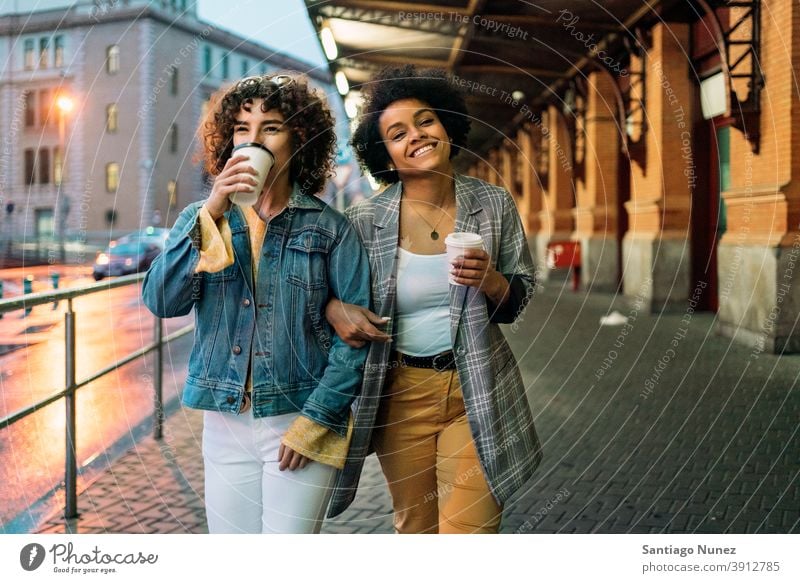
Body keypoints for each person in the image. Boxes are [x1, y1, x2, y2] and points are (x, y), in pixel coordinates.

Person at [142, 73, 370, 534]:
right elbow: (163, 301)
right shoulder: (202, 218)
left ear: (299, 138)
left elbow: (356, 339)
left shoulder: (331, 229)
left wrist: (317, 419)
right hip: (224, 420)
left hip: (301, 415)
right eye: (242, 129)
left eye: (270, 127)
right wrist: (212, 210)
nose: (253, 140)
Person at [324, 65, 543, 534]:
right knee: (417, 529)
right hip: (398, 395)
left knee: (470, 532)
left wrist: (492, 281)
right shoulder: (364, 220)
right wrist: (333, 308)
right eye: (397, 133)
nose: (417, 136)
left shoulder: (493, 203)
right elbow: (328, 293)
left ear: (446, 124)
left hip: (476, 387)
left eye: (425, 121)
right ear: (385, 154)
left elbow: (519, 295)